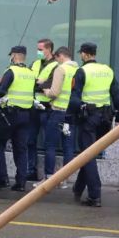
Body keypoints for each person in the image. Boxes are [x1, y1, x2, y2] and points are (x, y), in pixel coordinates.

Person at [69, 42, 119, 208]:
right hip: (105, 119)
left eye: (81, 54)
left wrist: (70, 116)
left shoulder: (82, 71)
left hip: (88, 119)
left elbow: (75, 98)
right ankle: (78, 188)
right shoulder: (108, 70)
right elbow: (117, 95)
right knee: (91, 154)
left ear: (85, 55)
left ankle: (95, 195)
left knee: (88, 155)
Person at [0, 46, 34, 192]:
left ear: (14, 56)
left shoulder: (11, 71)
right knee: (21, 149)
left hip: (9, 115)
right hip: (26, 116)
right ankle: (21, 182)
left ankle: (2, 180)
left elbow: (2, 91)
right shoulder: (30, 73)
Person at [37, 46, 77, 188]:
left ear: (60, 56)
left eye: (57, 58)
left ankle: (49, 178)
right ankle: (64, 179)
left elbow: (54, 92)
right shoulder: (77, 69)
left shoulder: (61, 69)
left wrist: (43, 88)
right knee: (68, 147)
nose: (56, 61)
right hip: (71, 112)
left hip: (58, 111)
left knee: (50, 145)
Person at [29, 38, 58, 181]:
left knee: (48, 143)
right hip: (34, 106)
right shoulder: (35, 63)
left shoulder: (56, 66)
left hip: (47, 108)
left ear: (49, 50)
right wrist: (38, 84)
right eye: (38, 49)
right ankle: (31, 171)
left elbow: (51, 84)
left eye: (41, 49)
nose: (38, 52)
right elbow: (28, 81)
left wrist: (39, 84)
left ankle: (49, 175)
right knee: (30, 140)